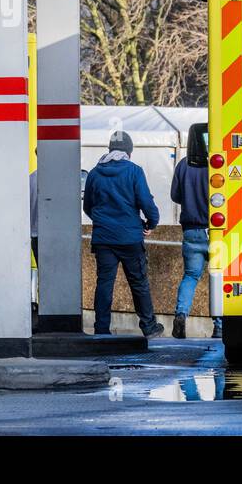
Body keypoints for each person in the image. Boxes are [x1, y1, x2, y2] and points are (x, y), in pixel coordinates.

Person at [83, 130, 164, 338]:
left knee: (104, 283)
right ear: (129, 150)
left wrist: (102, 221)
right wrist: (151, 222)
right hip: (130, 237)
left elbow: (88, 206)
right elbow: (146, 202)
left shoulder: (94, 173)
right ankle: (148, 326)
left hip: (104, 238)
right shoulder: (134, 171)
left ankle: (101, 329)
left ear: (110, 149)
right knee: (138, 282)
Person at [172, 123, 220, 339]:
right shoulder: (218, 165)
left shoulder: (183, 165)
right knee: (219, 277)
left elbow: (175, 196)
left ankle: (181, 315)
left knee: (191, 276)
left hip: (191, 231)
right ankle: (220, 325)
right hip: (217, 232)